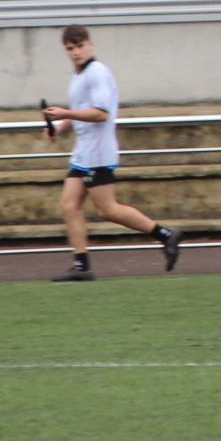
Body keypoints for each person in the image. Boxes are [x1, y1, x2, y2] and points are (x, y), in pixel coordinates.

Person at [41, 26, 183, 282]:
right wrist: (61, 126)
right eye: (70, 48)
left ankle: (165, 234)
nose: (76, 52)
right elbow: (82, 108)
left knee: (107, 209)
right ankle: (82, 266)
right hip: (83, 152)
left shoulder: (97, 72)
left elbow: (101, 113)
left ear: (91, 44)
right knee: (68, 205)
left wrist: (65, 113)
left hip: (98, 152)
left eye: (80, 46)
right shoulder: (79, 75)